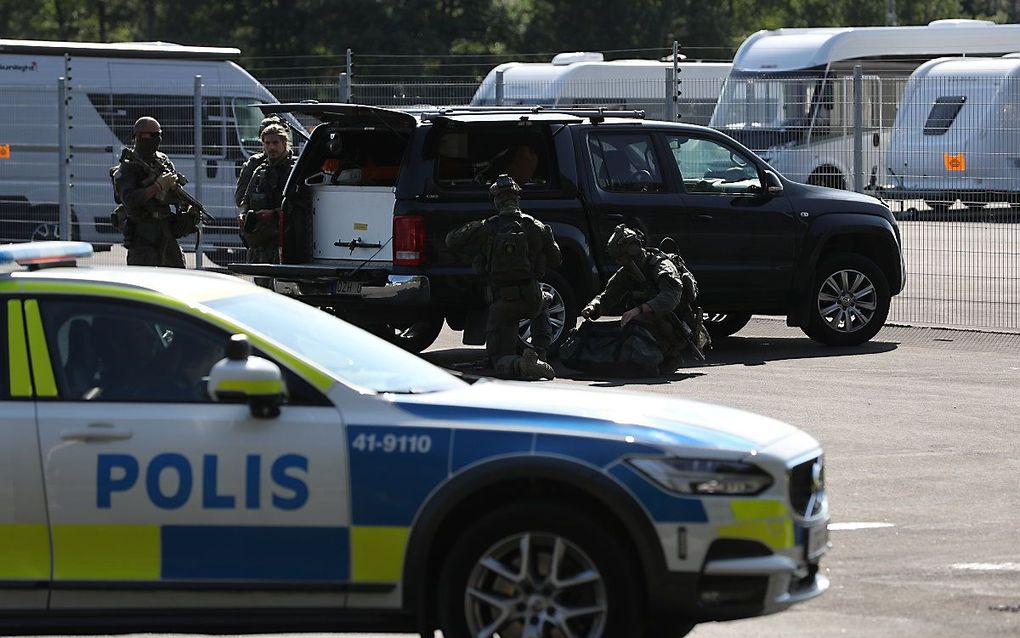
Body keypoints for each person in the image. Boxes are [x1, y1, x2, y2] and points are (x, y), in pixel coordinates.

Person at [446, 174, 561, 380]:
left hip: (502, 304)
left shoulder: (487, 227)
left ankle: (519, 365)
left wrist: (475, 230)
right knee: (544, 301)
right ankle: (540, 355)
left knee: (498, 359)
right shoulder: (536, 226)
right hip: (531, 297)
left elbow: (452, 241)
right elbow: (556, 259)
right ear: (518, 199)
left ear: (497, 201)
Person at [580, 224, 709, 374]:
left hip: (673, 320)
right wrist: (593, 307)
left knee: (642, 325)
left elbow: (671, 297)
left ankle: (669, 354)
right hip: (649, 316)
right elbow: (609, 295)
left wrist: (638, 310)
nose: (619, 262)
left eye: (622, 257)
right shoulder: (627, 272)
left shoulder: (661, 266)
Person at [112, 116, 199, 267]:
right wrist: (157, 186)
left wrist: (185, 206)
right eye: (152, 135)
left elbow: (174, 192)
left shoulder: (163, 161)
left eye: (159, 134)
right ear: (138, 136)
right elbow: (130, 199)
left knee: (177, 278)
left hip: (166, 233)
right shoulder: (128, 167)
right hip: (142, 237)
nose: (157, 139)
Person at [240, 123, 294, 263]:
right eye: (267, 143)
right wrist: (243, 216)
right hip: (261, 245)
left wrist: (274, 214)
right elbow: (246, 199)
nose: (271, 147)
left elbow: (300, 207)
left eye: (275, 143)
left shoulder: (294, 172)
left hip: (286, 242)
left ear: (284, 143)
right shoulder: (260, 172)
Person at [234, 114, 286, 208]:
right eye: (268, 142)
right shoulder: (255, 164)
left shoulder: (292, 165)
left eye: (275, 141)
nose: (272, 147)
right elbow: (241, 198)